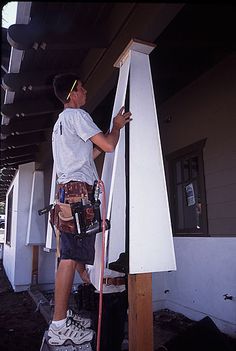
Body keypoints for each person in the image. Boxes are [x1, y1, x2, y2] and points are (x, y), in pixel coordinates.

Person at [47, 73, 132, 346]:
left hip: (66, 193)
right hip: (77, 194)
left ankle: (62, 319)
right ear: (72, 93)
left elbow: (90, 153)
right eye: (82, 89)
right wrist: (116, 127)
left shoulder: (60, 123)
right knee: (70, 258)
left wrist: (105, 137)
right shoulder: (77, 116)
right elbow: (108, 145)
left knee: (73, 256)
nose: (85, 93)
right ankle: (59, 325)